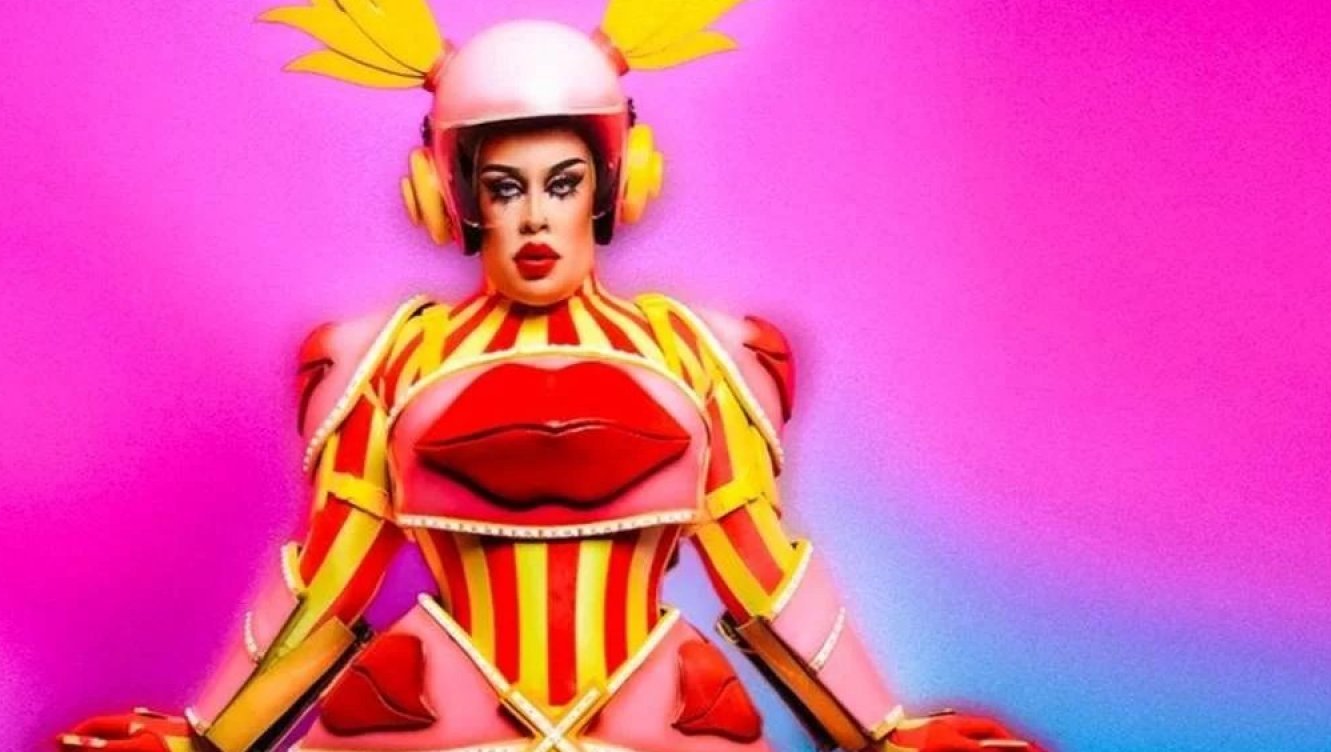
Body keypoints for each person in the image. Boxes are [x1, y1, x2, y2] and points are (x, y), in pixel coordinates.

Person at [59, 2, 1046, 751]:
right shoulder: (381, 359)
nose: (534, 216)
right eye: (505, 186)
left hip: (661, 718)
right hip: (427, 718)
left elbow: (760, 571)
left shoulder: (703, 354)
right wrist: (203, 737)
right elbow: (327, 588)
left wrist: (885, 730)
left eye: (562, 184)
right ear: (452, 195)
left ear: (616, 183)